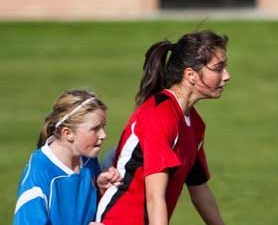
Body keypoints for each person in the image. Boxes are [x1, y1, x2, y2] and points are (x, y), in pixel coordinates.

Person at [96, 30, 230, 225]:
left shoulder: (194, 123)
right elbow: (155, 197)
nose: (226, 76)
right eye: (218, 68)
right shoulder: (159, 116)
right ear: (190, 75)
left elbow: (199, 188)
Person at [13, 89, 122, 225]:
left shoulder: (88, 160)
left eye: (103, 126)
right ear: (68, 133)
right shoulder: (38, 177)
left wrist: (100, 188)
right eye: (95, 129)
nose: (103, 135)